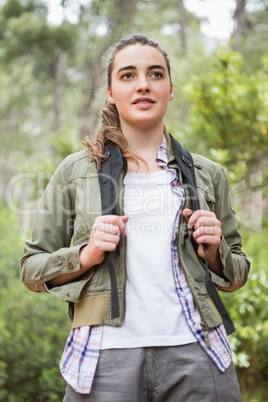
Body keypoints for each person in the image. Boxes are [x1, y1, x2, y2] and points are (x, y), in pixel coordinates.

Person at [21, 33, 250, 402]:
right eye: (128, 75)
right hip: (103, 358)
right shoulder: (75, 172)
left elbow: (237, 272)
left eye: (155, 74)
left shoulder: (209, 174)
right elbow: (32, 269)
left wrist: (213, 250)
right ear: (110, 91)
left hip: (198, 352)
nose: (143, 84)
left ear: (170, 89)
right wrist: (86, 255)